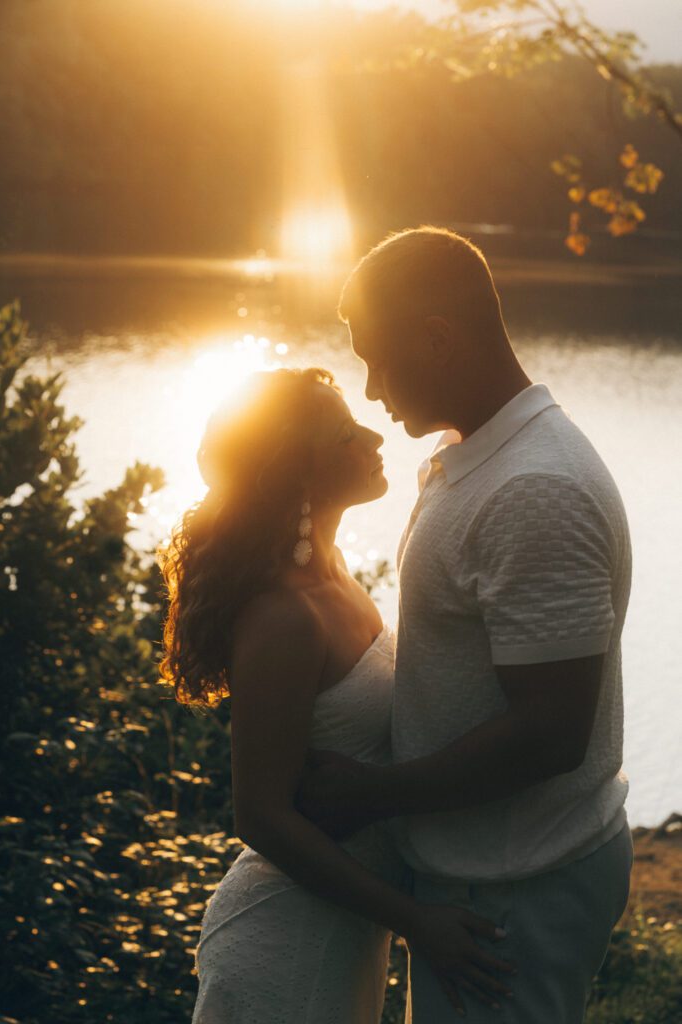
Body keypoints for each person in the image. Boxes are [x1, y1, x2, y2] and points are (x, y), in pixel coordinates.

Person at [297, 226, 634, 1023]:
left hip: (516, 886)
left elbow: (552, 732)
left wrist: (374, 794)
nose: (371, 389)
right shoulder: (475, 452)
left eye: (378, 359)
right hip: (484, 874)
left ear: (438, 340)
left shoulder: (533, 488)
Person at [157, 367, 514, 1024]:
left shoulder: (336, 576)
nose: (375, 436)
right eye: (347, 434)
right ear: (299, 472)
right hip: (284, 939)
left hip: (346, 926)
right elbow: (260, 817)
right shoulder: (283, 617)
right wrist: (414, 922)